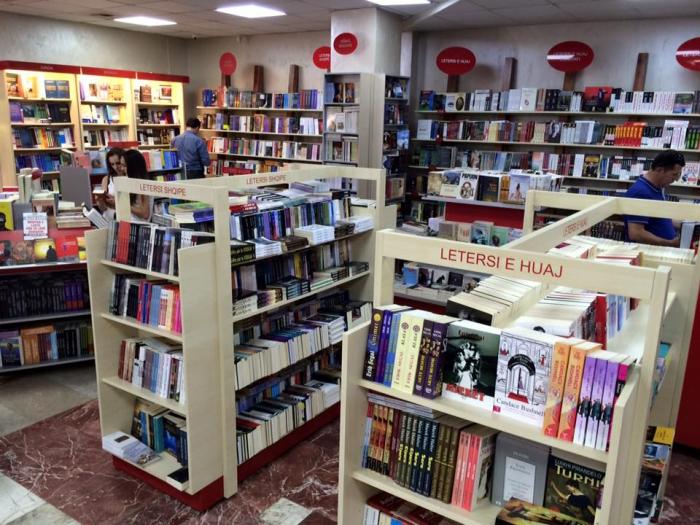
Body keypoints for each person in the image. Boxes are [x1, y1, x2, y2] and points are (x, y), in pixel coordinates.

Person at [624, 150, 685, 246]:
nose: (676, 179)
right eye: (674, 174)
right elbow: (636, 234)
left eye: (678, 175)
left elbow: (660, 219)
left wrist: (688, 225)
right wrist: (669, 243)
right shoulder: (640, 193)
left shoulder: (657, 188)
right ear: (660, 170)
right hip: (648, 253)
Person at [97, 147, 126, 218]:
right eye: (112, 164)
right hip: (108, 219)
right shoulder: (106, 179)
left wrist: (117, 202)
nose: (115, 167)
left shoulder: (131, 179)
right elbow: (103, 208)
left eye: (118, 163)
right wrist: (100, 202)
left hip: (124, 218)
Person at [123, 150, 152, 221]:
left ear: (132, 167)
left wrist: (123, 205)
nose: (122, 168)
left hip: (139, 227)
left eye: (124, 166)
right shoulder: (131, 182)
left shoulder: (143, 184)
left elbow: (145, 213)